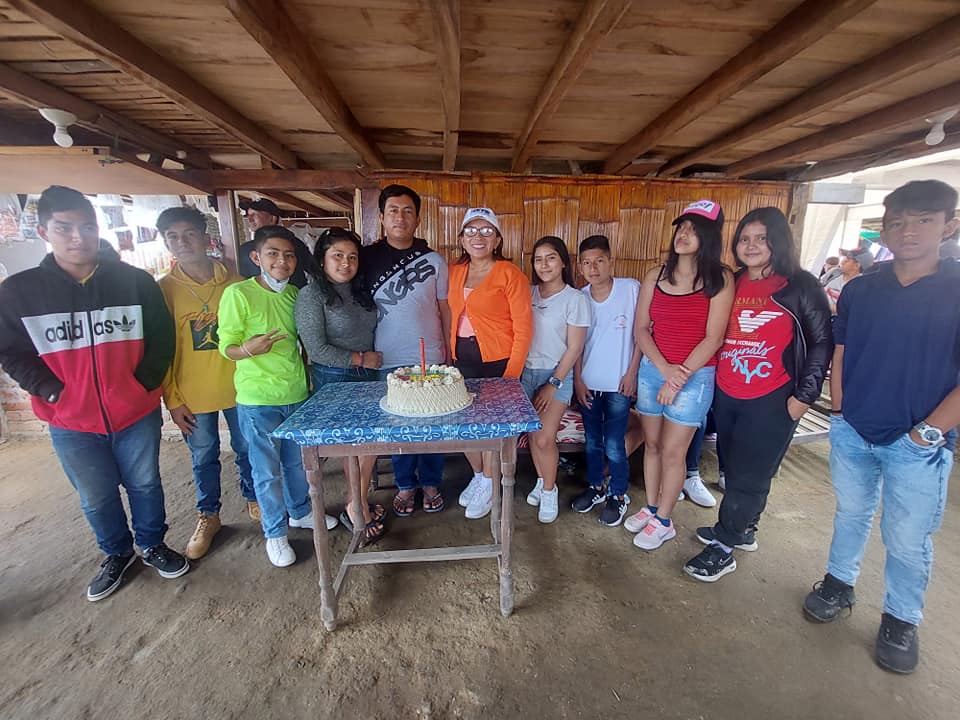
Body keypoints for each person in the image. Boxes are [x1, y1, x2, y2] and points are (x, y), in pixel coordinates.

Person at [0, 185, 187, 601]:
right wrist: (50, 391)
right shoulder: (19, 292)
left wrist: (142, 385)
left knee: (145, 483)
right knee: (96, 495)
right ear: (44, 232)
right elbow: (10, 352)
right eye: (64, 228)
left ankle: (152, 544)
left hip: (134, 410)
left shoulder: (134, 282)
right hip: (70, 419)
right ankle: (116, 553)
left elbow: (162, 338)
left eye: (87, 226)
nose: (77, 237)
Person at [803, 180, 960, 675]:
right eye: (897, 222)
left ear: (949, 227)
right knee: (851, 513)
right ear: (886, 230)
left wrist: (927, 434)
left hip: (919, 442)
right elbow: (842, 350)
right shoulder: (861, 289)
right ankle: (839, 583)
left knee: (907, 536)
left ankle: (900, 618)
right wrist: (840, 411)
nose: (908, 231)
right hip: (854, 428)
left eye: (923, 220)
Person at [684, 207, 832, 581]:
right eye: (745, 239)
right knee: (735, 469)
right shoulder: (732, 281)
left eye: (761, 238)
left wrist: (804, 397)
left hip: (773, 396)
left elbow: (820, 343)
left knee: (750, 475)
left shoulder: (800, 285)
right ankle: (744, 529)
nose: (751, 246)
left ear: (778, 241)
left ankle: (724, 547)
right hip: (729, 392)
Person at [218, 225, 337, 568]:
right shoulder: (238, 294)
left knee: (297, 462)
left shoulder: (294, 294)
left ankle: (299, 511)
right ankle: (275, 533)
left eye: (288, 255)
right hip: (258, 398)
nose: (281, 261)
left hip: (296, 392)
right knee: (266, 471)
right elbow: (225, 346)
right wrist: (247, 349)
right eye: (273, 254)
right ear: (256, 257)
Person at [627, 200, 734, 550]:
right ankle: (651, 507)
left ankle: (664, 520)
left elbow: (714, 337)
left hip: (695, 377)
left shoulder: (720, 278)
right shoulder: (655, 275)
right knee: (652, 445)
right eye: (681, 227)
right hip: (653, 370)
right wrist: (664, 370)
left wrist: (678, 377)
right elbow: (642, 329)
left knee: (674, 452)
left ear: (709, 235)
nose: (683, 234)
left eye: (693, 229)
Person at [157, 206, 258, 561]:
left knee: (247, 447)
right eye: (172, 237)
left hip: (239, 386)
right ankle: (209, 515)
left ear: (205, 238)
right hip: (191, 391)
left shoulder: (235, 283)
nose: (182, 242)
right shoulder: (163, 290)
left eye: (189, 234)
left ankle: (254, 499)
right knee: (203, 456)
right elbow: (160, 348)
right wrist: (172, 398)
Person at [361, 185, 451, 517]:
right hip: (386, 357)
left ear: (418, 218)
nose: (400, 217)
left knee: (433, 423)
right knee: (396, 425)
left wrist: (449, 349)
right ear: (382, 217)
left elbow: (445, 307)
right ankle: (404, 485)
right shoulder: (365, 258)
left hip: (432, 356)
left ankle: (431, 482)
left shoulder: (434, 260)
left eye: (408, 211)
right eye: (393, 211)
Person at [294, 227, 385, 545]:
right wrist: (360, 359)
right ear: (322, 259)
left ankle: (356, 501)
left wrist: (367, 362)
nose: (346, 263)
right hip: (335, 379)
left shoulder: (360, 290)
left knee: (370, 443)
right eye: (337, 256)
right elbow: (316, 349)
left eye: (352, 257)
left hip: (369, 376)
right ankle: (356, 506)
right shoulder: (311, 295)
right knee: (352, 447)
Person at [449, 207, 534, 519]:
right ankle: (480, 476)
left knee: (491, 426)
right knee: (462, 424)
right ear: (462, 238)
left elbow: (524, 329)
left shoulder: (511, 274)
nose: (478, 237)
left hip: (498, 362)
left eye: (487, 231)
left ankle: (490, 482)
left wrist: (511, 375)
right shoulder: (455, 271)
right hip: (461, 359)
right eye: (471, 230)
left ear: (497, 239)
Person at [571, 234, 643, 528]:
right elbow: (575, 345)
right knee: (592, 442)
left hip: (619, 385)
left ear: (611, 261)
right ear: (580, 267)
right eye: (587, 263)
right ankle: (595, 487)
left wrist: (632, 373)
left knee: (614, 443)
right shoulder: (580, 297)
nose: (594, 268)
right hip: (588, 384)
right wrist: (577, 380)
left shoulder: (631, 289)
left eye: (599, 261)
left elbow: (641, 334)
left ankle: (618, 494)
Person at [521, 236, 590, 524]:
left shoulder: (575, 299)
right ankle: (542, 479)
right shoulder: (527, 293)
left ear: (563, 262)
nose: (544, 265)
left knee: (544, 437)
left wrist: (554, 384)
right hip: (524, 373)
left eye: (551, 258)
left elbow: (575, 348)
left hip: (556, 373)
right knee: (532, 435)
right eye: (538, 259)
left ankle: (550, 490)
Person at [236, 198, 311, 288]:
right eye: (248, 215)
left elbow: (313, 270)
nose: (249, 219)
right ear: (255, 257)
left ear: (272, 219)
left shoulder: (295, 244)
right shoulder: (243, 250)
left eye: (254, 214)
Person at [824, 247, 873, 314]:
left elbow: (843, 309)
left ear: (856, 266)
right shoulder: (835, 272)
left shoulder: (860, 287)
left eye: (847, 260)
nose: (842, 262)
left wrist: (819, 305)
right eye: (844, 258)